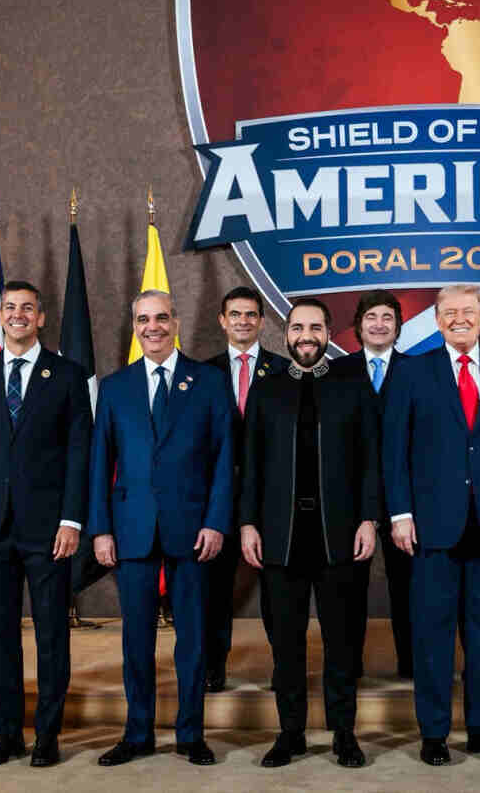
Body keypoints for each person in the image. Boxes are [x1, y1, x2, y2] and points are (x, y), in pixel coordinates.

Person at [383, 284, 480, 766]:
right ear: (437, 319)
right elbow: (393, 450)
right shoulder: (412, 371)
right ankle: (434, 733)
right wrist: (400, 514)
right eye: (450, 312)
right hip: (431, 526)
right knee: (432, 636)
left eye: (469, 311)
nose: (460, 319)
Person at [88, 290, 233, 767]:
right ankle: (138, 734)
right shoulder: (115, 387)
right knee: (136, 641)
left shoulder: (208, 381)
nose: (153, 327)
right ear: (135, 326)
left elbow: (225, 459)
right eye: (144, 319)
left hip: (193, 531)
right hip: (131, 529)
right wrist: (100, 530)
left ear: (177, 322)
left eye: (162, 318)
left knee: (193, 639)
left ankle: (191, 734)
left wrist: (216, 522)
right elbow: (99, 463)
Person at [0, 281, 91, 768]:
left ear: (41, 317)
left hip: (50, 529)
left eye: (27, 308)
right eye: (10, 307)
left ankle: (47, 736)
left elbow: (80, 452)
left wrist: (72, 519)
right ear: (0, 316)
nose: (18, 315)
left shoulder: (68, 375)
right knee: (0, 637)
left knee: (52, 635)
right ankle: (7, 733)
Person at [239, 299, 379, 769]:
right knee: (286, 644)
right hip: (280, 537)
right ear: (285, 333)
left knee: (342, 642)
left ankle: (344, 734)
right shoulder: (266, 390)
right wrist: (247, 523)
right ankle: (290, 733)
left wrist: (369, 518)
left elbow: (370, 459)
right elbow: (250, 464)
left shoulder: (352, 386)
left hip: (338, 533)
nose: (306, 336)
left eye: (315, 328)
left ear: (328, 333)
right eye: (297, 327)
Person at [203, 285, 290, 692]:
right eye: (235, 314)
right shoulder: (202, 373)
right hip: (216, 498)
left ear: (261, 321)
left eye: (251, 314)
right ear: (222, 321)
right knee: (214, 590)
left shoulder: (285, 370)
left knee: (277, 591)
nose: (243, 321)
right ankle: (212, 668)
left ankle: (283, 669)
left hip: (270, 500)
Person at [334, 289, 411, 679]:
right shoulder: (337, 371)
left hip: (405, 499)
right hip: (350, 499)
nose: (379, 325)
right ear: (358, 325)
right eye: (371, 317)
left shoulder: (417, 370)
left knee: (409, 587)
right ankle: (350, 666)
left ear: (398, 326)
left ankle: (411, 665)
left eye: (387, 317)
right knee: (348, 589)